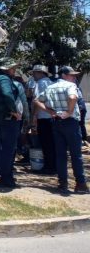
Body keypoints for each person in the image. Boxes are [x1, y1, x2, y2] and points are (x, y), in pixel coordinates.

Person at [34, 66, 88, 194]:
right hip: (70, 122)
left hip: (57, 121)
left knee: (61, 155)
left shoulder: (51, 86)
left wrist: (49, 111)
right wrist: (69, 111)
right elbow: (73, 97)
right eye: (71, 75)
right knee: (76, 155)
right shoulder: (70, 86)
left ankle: (62, 183)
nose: (74, 77)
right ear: (64, 75)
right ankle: (80, 183)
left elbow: (36, 100)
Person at [0, 59, 24, 188]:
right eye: (13, 68)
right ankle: (6, 178)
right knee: (9, 149)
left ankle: (5, 175)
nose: (14, 70)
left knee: (4, 148)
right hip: (8, 119)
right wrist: (14, 111)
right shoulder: (4, 79)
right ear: (7, 68)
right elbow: (7, 94)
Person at [29, 65, 55, 173]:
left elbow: (37, 101)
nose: (33, 75)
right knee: (51, 143)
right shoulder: (51, 83)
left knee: (46, 143)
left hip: (43, 117)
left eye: (34, 73)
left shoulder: (40, 83)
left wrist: (34, 116)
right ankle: (53, 166)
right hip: (50, 118)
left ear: (40, 73)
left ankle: (49, 167)